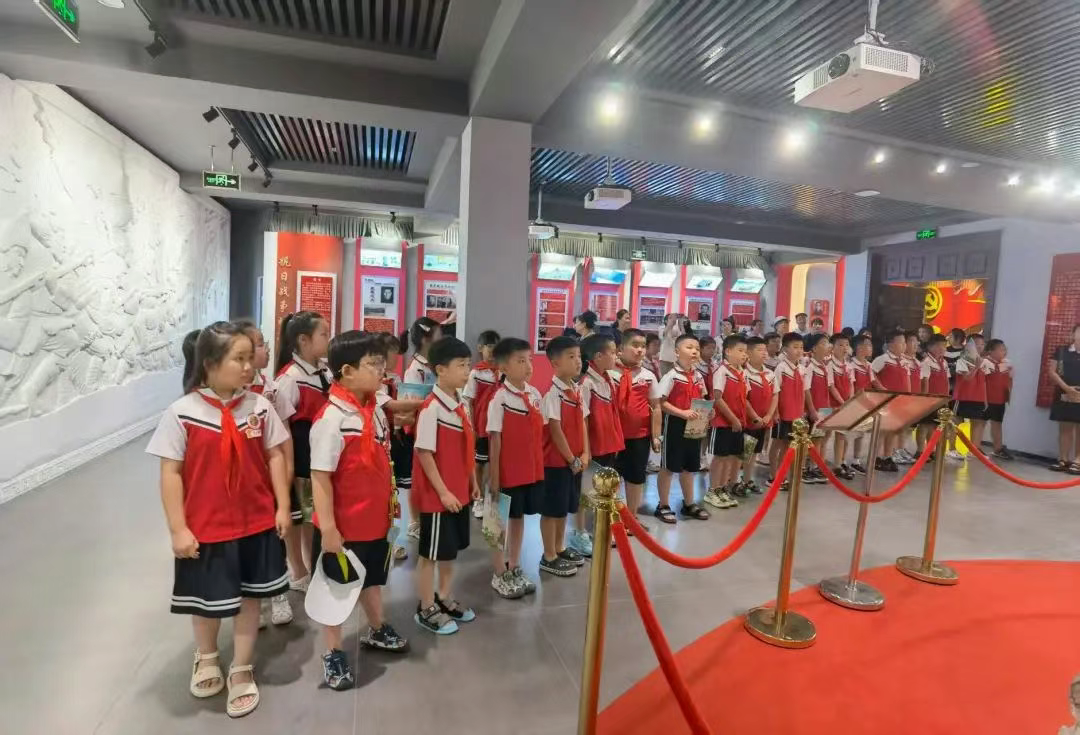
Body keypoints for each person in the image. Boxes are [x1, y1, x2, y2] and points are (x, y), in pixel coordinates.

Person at [146, 321, 291, 719]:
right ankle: (207, 655)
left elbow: (275, 456)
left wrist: (282, 506)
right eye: (238, 359)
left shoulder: (259, 407)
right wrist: (178, 528)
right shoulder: (182, 413)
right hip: (206, 527)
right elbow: (171, 473)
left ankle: (242, 666)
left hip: (255, 523)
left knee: (250, 598)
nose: (248, 367)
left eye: (249, 358)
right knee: (207, 602)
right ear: (209, 364)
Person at [309, 331, 407, 690]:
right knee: (336, 588)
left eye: (382, 363)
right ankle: (333, 651)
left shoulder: (373, 410)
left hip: (375, 520)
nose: (382, 369)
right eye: (373, 364)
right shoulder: (331, 418)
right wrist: (329, 528)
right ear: (346, 371)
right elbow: (320, 477)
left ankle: (376, 627)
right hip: (344, 526)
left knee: (373, 578)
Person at [412, 336, 479, 635]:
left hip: (459, 493)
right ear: (440, 370)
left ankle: (444, 596)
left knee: (450, 551)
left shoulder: (460, 404)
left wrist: (472, 481)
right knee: (430, 554)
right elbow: (425, 454)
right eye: (461, 365)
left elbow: (466, 448)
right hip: (439, 497)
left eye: (468, 365)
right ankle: (426, 606)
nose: (467, 371)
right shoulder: (432, 408)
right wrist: (443, 492)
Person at [235, 319, 294, 627]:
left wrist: (288, 470)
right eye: (259, 344)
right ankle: (250, 600)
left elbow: (284, 435)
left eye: (261, 345)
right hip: (239, 487)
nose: (265, 349)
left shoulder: (270, 390)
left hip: (268, 481)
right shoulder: (225, 395)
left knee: (274, 539)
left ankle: (278, 594)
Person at [274, 311, 332, 593]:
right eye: (324, 334)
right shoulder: (290, 379)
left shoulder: (325, 371)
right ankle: (297, 570)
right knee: (297, 517)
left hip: (318, 457)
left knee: (313, 516)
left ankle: (312, 565)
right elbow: (280, 429)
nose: (329, 339)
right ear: (303, 340)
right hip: (298, 458)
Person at [486, 337, 545, 598]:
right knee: (497, 522)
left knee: (518, 517)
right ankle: (499, 572)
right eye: (521, 361)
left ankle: (515, 564)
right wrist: (495, 477)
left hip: (528, 471)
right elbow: (495, 439)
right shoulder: (499, 398)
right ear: (504, 368)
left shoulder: (534, 395)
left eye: (529, 360)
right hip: (506, 472)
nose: (528, 366)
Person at [540, 336, 590, 576]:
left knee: (564, 508)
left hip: (575, 462)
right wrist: (571, 458)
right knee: (552, 510)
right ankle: (548, 555)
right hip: (556, 463)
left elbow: (583, 422)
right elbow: (555, 429)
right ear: (555, 363)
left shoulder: (577, 390)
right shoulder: (553, 395)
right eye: (571, 357)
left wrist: (586, 452)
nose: (578, 361)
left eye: (578, 356)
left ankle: (560, 547)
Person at [655, 333, 711, 522]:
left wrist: (707, 412)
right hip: (675, 426)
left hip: (694, 426)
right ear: (677, 352)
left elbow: (702, 398)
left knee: (689, 467)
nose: (694, 351)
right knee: (668, 467)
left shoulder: (698, 376)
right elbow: (661, 402)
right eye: (689, 347)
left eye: (697, 348)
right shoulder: (671, 376)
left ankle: (689, 504)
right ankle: (663, 505)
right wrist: (682, 413)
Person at [611, 328, 662, 532]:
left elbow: (656, 406)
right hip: (613, 437)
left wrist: (656, 436)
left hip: (640, 436)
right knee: (612, 479)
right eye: (635, 345)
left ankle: (631, 518)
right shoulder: (610, 373)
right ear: (621, 348)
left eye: (642, 346)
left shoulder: (648, 376)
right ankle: (613, 520)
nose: (640, 350)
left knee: (636, 478)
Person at [579, 333, 625, 554]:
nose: (617, 356)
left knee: (607, 488)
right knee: (588, 490)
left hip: (609, 443)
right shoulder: (587, 383)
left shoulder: (608, 379)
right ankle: (583, 532)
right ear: (598, 356)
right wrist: (585, 449)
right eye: (613, 352)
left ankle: (603, 526)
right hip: (594, 446)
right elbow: (583, 419)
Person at [400, 317, 443, 541]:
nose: (441, 339)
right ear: (426, 339)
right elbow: (413, 401)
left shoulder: (433, 364)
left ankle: (427, 515)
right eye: (438, 335)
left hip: (435, 425)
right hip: (418, 428)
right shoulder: (415, 369)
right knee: (416, 476)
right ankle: (414, 522)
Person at [706, 334, 749, 509]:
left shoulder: (742, 372)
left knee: (731, 457)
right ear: (728, 351)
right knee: (720, 457)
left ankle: (723, 488)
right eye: (740, 350)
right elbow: (718, 398)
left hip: (738, 423)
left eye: (745, 351)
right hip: (723, 422)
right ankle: (712, 490)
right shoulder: (721, 371)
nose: (744, 354)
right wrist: (732, 419)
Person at [463, 329, 501, 520]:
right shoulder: (476, 373)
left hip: (499, 428)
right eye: (489, 347)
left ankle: (491, 500)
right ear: (480, 348)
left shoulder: (503, 372)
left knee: (497, 464)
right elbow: (469, 401)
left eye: (495, 347)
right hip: (481, 426)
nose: (492, 351)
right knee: (479, 464)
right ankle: (477, 499)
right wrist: (472, 427)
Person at [768, 332, 807, 491]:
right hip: (782, 414)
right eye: (795, 347)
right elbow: (775, 392)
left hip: (796, 415)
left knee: (789, 446)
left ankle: (783, 475)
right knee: (778, 444)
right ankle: (773, 476)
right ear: (785, 349)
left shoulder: (802, 369)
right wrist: (775, 412)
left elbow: (804, 392)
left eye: (801, 347)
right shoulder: (781, 368)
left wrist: (803, 411)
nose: (799, 350)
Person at [870, 329, 909, 472]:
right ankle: (875, 457)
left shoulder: (904, 361)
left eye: (904, 342)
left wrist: (908, 396)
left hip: (899, 401)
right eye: (901, 342)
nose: (904, 345)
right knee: (881, 431)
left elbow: (907, 380)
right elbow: (871, 373)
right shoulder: (883, 359)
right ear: (891, 344)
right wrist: (882, 389)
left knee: (892, 430)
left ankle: (887, 456)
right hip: (884, 401)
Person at [742, 336, 776, 495]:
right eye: (759, 350)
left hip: (763, 421)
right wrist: (755, 416)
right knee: (745, 452)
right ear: (748, 353)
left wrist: (769, 415)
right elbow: (744, 399)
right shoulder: (744, 373)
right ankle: (737, 481)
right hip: (749, 421)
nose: (764, 353)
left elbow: (776, 395)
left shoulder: (770, 373)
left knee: (755, 452)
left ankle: (748, 480)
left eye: (765, 350)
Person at [1047, 325, 1080, 473]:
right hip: (1063, 393)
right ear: (1073, 334)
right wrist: (1067, 388)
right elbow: (1052, 372)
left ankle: (1078, 461)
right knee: (1065, 428)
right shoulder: (1061, 351)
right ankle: (1063, 459)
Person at [953, 335, 988, 465]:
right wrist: (976, 367)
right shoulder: (962, 360)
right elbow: (967, 378)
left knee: (977, 422)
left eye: (982, 344)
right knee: (956, 422)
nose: (980, 346)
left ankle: (973, 450)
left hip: (978, 397)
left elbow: (984, 382)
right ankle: (952, 448)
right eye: (977, 344)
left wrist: (985, 399)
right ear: (969, 345)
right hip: (963, 396)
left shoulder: (984, 362)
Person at [802, 333, 832, 484]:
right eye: (824, 343)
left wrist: (828, 409)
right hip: (814, 409)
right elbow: (806, 390)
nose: (828, 346)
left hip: (824, 409)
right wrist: (812, 410)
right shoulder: (810, 366)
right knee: (808, 440)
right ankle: (803, 469)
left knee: (819, 439)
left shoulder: (825, 366)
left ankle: (814, 466)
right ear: (814, 348)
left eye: (828, 343)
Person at [827, 332, 855, 480]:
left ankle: (839, 464)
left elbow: (851, 384)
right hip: (828, 405)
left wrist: (850, 400)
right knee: (823, 435)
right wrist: (842, 402)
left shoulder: (849, 365)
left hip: (845, 405)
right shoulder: (829, 364)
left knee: (843, 435)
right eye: (840, 345)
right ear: (832, 347)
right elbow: (831, 386)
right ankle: (816, 464)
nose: (844, 348)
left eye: (846, 345)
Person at [917, 333, 950, 459]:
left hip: (941, 400)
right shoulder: (926, 362)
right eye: (939, 346)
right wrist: (925, 399)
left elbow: (946, 381)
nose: (942, 349)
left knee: (935, 426)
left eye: (944, 346)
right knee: (924, 425)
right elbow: (924, 381)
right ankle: (920, 451)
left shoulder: (944, 362)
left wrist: (947, 398)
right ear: (930, 347)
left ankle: (931, 450)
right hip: (929, 399)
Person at [982, 338, 1014, 460]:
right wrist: (983, 399)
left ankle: (998, 448)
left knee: (997, 423)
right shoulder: (985, 362)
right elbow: (982, 382)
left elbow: (1009, 381)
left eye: (1005, 349)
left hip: (1000, 399)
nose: (1004, 352)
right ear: (991, 351)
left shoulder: (1006, 364)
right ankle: (974, 448)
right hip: (987, 399)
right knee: (980, 424)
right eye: (1001, 350)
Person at [848, 334, 873, 474]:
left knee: (861, 433)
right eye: (868, 344)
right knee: (847, 435)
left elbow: (874, 383)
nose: (871, 347)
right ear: (859, 347)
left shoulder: (869, 365)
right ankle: (841, 462)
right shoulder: (851, 365)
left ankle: (855, 460)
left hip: (866, 404)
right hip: (854, 404)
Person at [943, 327, 968, 461]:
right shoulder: (944, 351)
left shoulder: (965, 353)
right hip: (945, 389)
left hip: (958, 390)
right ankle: (945, 447)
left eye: (951, 336)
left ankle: (952, 447)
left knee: (955, 419)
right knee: (945, 418)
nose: (948, 338)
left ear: (958, 338)